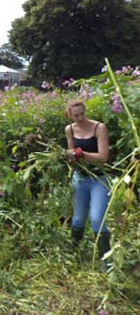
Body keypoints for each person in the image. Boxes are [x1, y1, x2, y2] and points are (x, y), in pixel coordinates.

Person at [64, 100, 111, 271]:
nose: (80, 118)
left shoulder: (99, 128)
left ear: (85, 111)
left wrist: (82, 154)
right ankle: (73, 254)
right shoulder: (69, 130)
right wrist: (70, 155)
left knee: (97, 218)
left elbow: (103, 157)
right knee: (78, 219)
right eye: (76, 116)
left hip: (99, 179)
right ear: (70, 116)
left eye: (82, 113)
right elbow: (70, 153)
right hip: (81, 178)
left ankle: (107, 263)